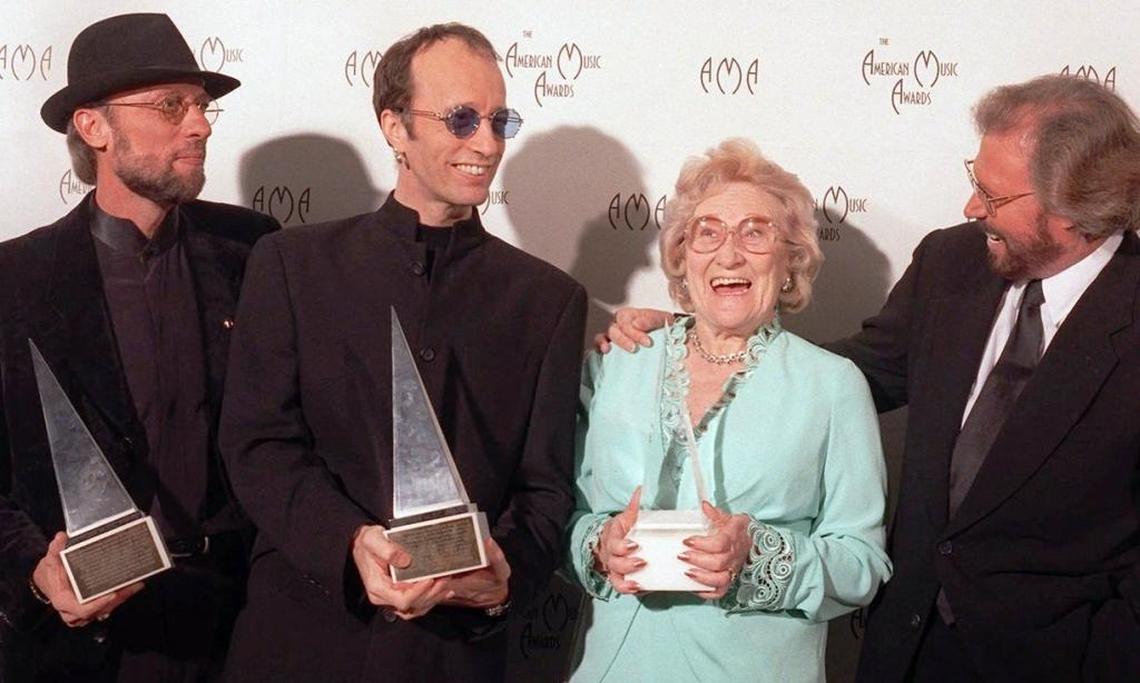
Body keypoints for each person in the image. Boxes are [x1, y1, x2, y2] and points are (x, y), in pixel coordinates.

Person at [604, 75, 1140, 681]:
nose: (971, 209)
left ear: (1075, 205)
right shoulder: (951, 263)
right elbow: (854, 371)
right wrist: (699, 328)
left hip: (1058, 660)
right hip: (907, 650)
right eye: (975, 184)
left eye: (994, 199)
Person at [218, 23, 587, 681]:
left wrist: (503, 577)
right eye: (462, 119)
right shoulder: (292, 266)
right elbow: (257, 444)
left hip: (454, 656)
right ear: (394, 127)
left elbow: (545, 488)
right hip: (300, 644)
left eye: (500, 120)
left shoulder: (548, 300)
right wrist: (349, 543)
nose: (487, 143)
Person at [0, 13, 278, 682]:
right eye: (170, 106)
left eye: (202, 106)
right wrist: (35, 573)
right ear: (94, 127)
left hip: (236, 629)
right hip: (88, 643)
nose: (201, 125)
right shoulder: (14, 281)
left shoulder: (256, 251)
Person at [567, 139, 891, 683]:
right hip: (615, 667)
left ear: (790, 261)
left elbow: (862, 564)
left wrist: (758, 554)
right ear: (682, 256)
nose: (729, 253)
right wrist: (599, 547)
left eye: (755, 232)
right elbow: (559, 517)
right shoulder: (615, 364)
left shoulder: (833, 387)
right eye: (708, 231)